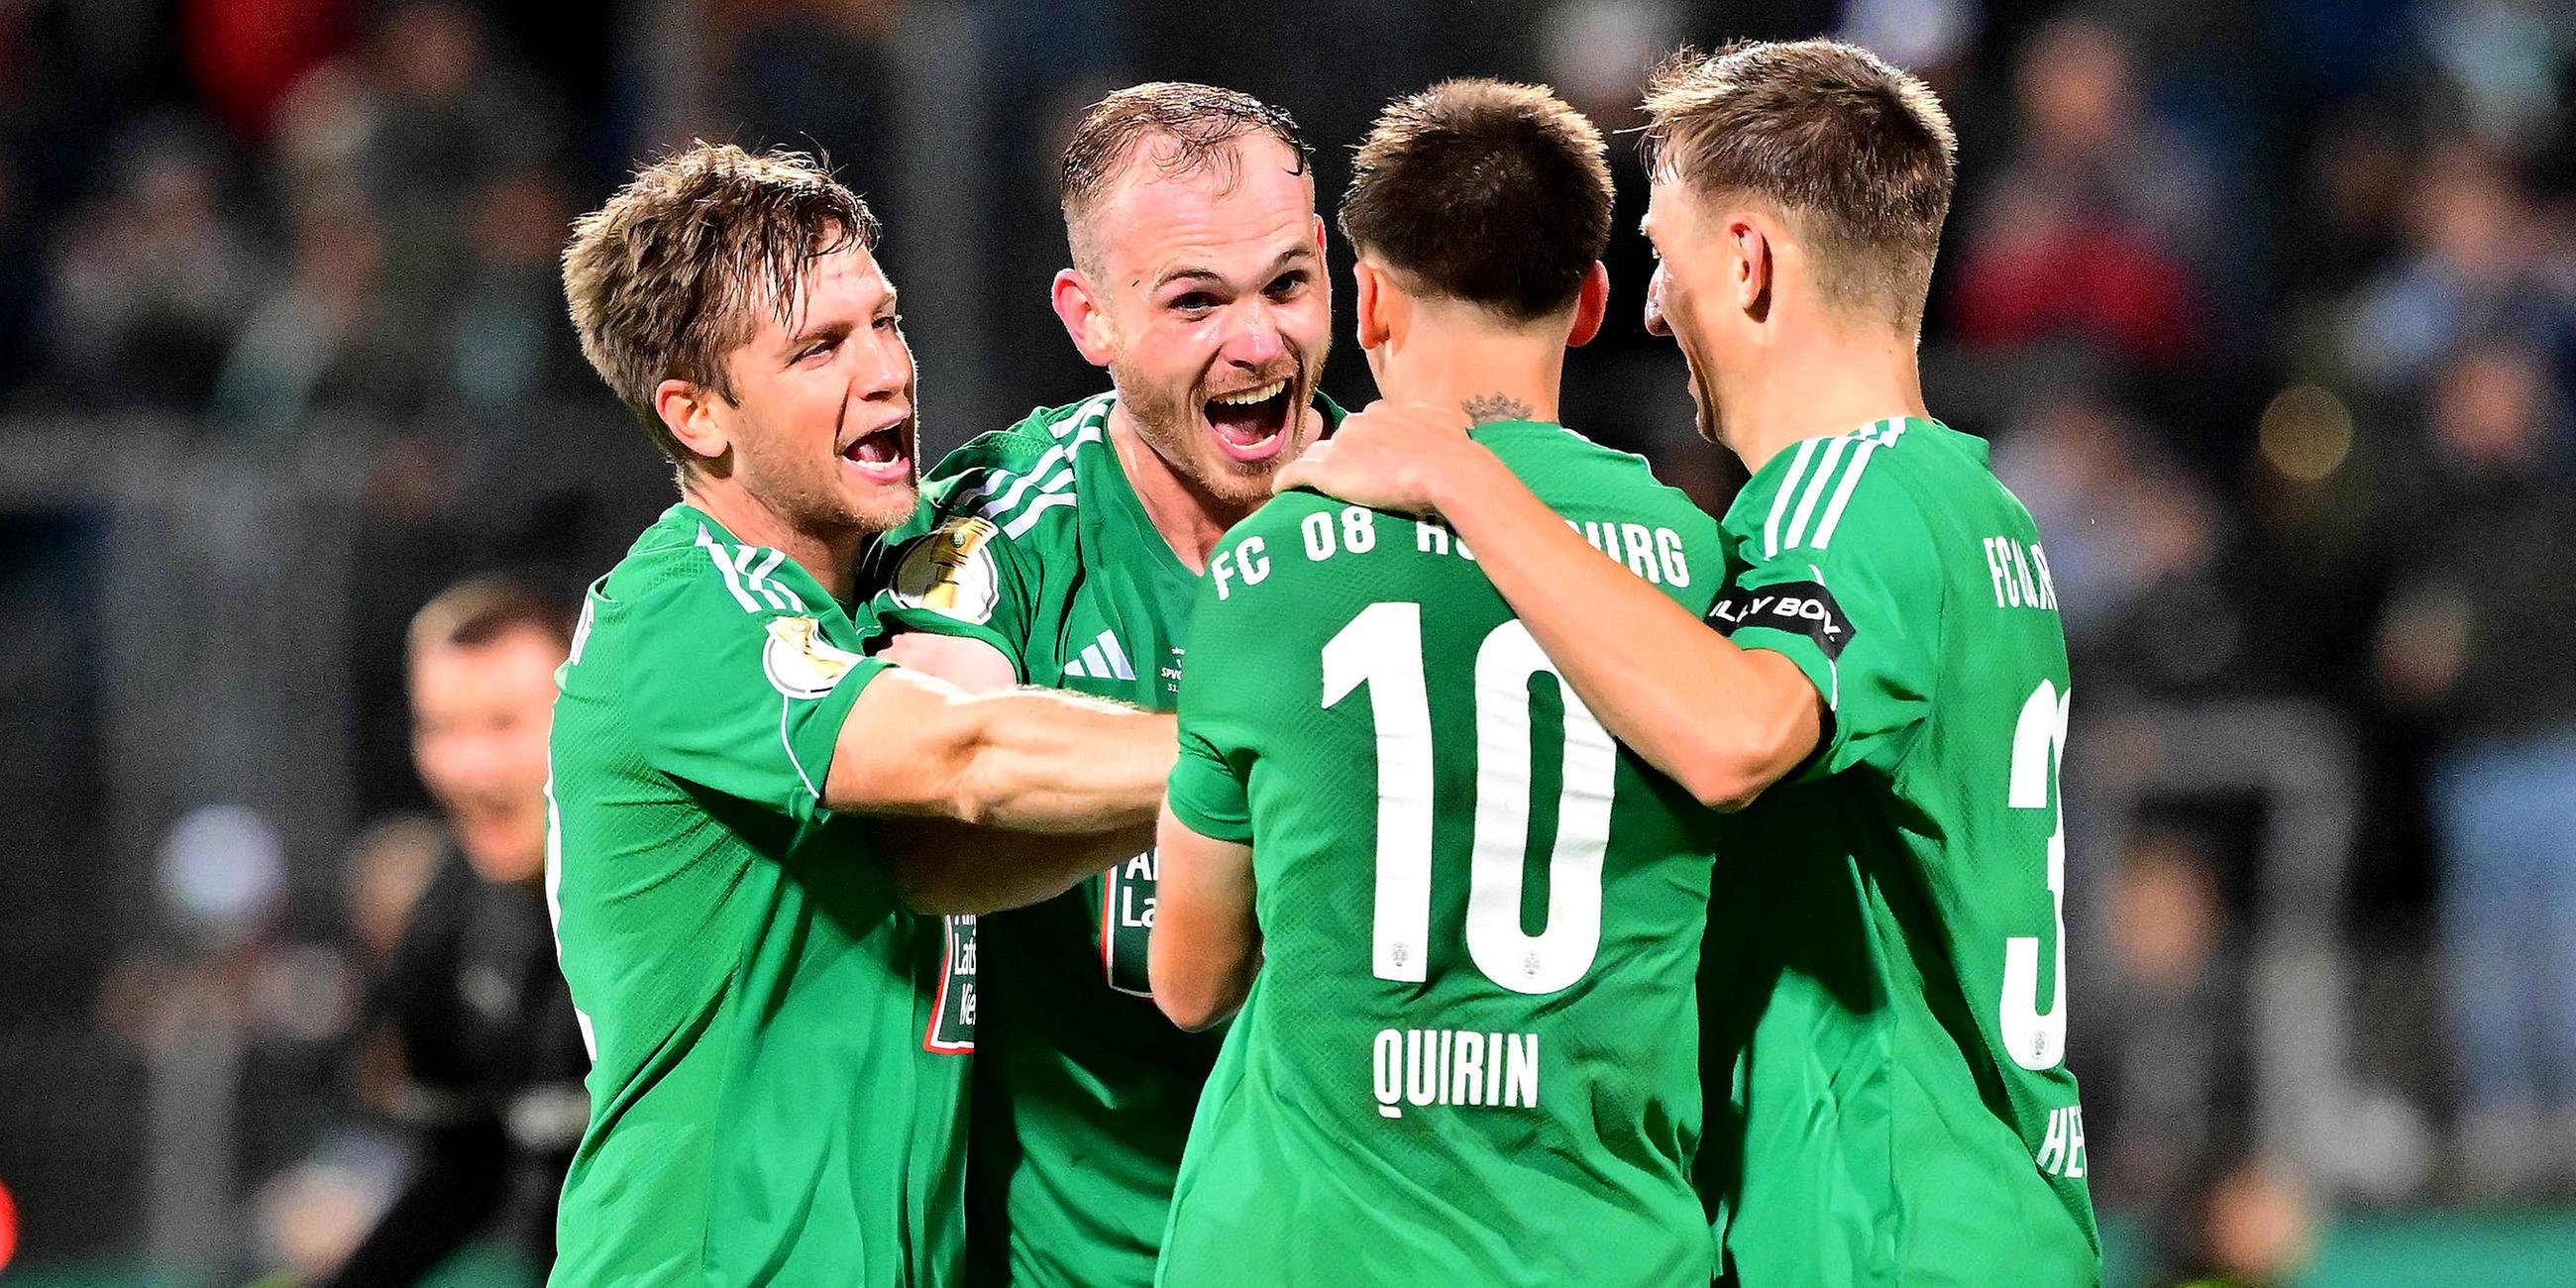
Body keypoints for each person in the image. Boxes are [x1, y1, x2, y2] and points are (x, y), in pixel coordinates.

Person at [1277, 41, 2103, 1286]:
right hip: (1992, 1217)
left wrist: (1457, 476)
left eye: (1663, 256)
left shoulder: (1847, 501)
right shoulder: (1977, 508)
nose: (1653, 307)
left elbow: (1736, 737)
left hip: (1878, 1240)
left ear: (1748, 263)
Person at [548, 143, 1174, 1284]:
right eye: (818, 348)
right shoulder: (688, 613)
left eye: (883, 322)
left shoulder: (866, 599)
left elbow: (958, 857)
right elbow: (966, 756)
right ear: (695, 414)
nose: (884, 371)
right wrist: (1252, 744)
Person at [1147, 79, 1728, 1287]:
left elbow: (1191, 981)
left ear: (1365, 299)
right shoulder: (1694, 562)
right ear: (1590, 302)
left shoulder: (1264, 565)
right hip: (1598, 1250)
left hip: (1307, 1253)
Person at [867, 83, 1337, 1287]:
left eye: (1287, 284)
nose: (1257, 343)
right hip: (1082, 1260)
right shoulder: (1003, 523)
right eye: (1195, 301)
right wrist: (1270, 759)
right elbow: (933, 775)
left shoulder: (1425, 523)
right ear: (1092, 319)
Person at [328, 578, 590, 1286]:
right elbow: (465, 1165)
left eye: (503, 724)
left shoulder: (693, 889)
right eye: (440, 728)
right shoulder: (447, 922)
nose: (471, 769)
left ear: (589, 715)